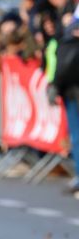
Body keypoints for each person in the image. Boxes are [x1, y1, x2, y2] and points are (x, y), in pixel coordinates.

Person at [47, 11, 79, 198]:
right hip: (72, 93)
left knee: (77, 135)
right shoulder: (67, 42)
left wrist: (55, 86)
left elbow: (62, 70)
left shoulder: (68, 43)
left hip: (73, 93)